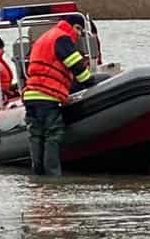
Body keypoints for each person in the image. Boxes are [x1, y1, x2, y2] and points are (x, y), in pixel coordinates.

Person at [22, 14, 96, 176]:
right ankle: (53, 177)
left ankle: (38, 176)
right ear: (70, 26)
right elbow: (75, 65)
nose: (78, 34)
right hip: (47, 96)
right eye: (78, 29)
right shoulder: (62, 38)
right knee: (52, 135)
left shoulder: (45, 38)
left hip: (31, 95)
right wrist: (91, 83)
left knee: (36, 136)